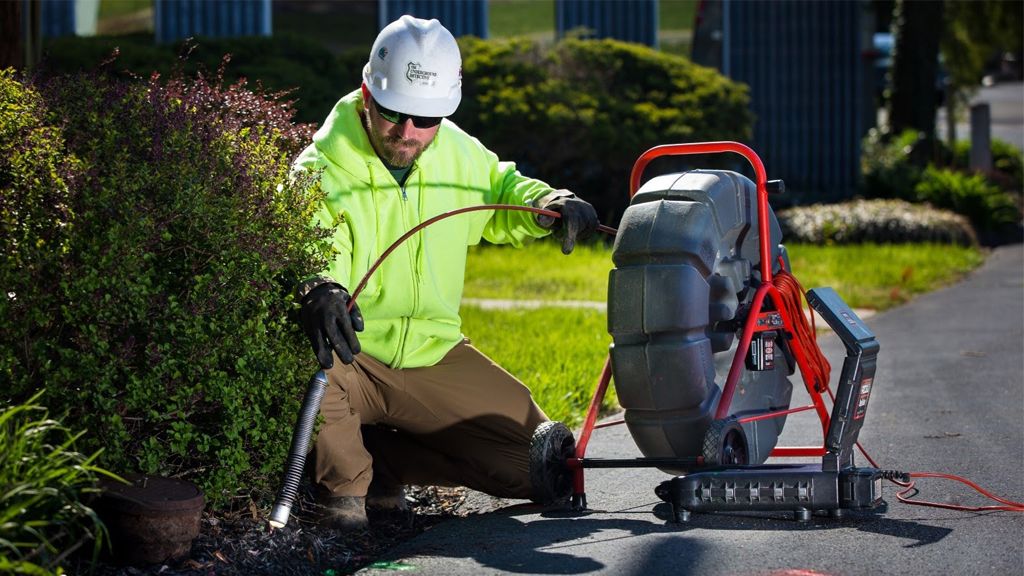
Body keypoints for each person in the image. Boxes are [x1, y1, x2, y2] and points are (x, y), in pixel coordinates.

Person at [291, 15, 599, 532]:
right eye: (393, 113)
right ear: (367, 94)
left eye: (426, 119)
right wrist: (318, 287)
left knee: (543, 466)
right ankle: (343, 492)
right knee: (308, 370)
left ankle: (384, 462)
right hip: (352, 357)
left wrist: (548, 202)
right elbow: (308, 250)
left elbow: (501, 189)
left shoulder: (455, 150)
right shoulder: (317, 171)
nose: (408, 132)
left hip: (434, 353)